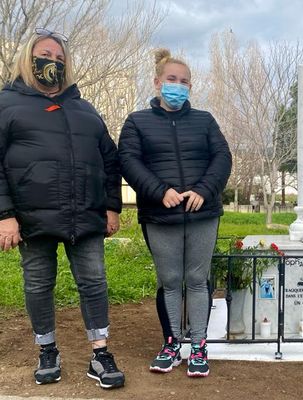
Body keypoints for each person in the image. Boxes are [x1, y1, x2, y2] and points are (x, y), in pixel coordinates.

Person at [0, 28, 125, 389]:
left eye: (58, 59)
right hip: (31, 217)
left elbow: (110, 160)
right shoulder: (7, 104)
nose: (51, 63)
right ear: (28, 58)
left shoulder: (85, 109)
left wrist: (112, 207)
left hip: (85, 214)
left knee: (94, 282)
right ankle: (47, 350)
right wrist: (5, 215)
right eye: (45, 56)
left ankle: (100, 353)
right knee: (38, 284)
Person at [118, 48, 232, 378]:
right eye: (172, 79)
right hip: (160, 215)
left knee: (197, 281)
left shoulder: (205, 120)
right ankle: (171, 344)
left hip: (202, 213)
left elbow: (222, 158)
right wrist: (159, 191)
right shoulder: (136, 122)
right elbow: (129, 162)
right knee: (170, 282)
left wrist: (202, 190)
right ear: (157, 82)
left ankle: (198, 346)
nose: (178, 86)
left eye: (184, 81)